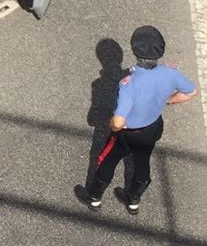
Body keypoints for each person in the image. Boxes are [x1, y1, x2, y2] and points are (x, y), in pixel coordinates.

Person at [80, 25, 198, 212]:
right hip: (152, 128)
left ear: (135, 51)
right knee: (142, 162)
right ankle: (133, 199)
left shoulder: (129, 84)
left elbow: (118, 122)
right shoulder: (171, 73)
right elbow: (191, 92)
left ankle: (94, 197)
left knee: (107, 160)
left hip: (127, 134)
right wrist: (169, 100)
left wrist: (112, 125)